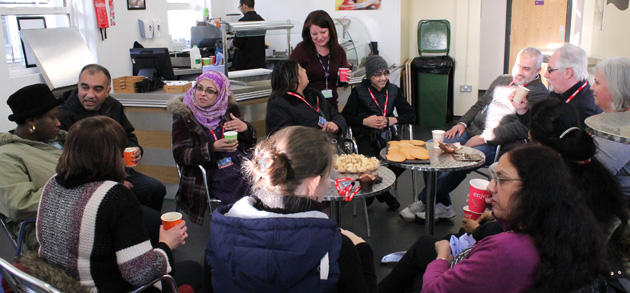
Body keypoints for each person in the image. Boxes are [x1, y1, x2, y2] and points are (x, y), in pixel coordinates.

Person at [379, 145, 608, 292]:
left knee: (420, 278)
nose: (490, 187)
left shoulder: (507, 251)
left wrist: (442, 258)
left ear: (533, 190)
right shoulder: (567, 227)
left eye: (502, 179)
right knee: (423, 247)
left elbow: (433, 291)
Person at [206, 126, 376, 292]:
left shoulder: (220, 234)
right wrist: (363, 252)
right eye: (328, 176)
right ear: (313, 183)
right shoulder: (338, 248)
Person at [36, 116, 190, 292]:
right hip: (98, 287)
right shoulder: (115, 196)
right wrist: (166, 245)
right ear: (113, 153)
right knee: (194, 269)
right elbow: (141, 274)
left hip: (57, 284)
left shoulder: (52, 183)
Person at [399, 47, 549, 222]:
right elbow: (480, 104)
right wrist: (462, 123)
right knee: (431, 149)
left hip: (497, 144)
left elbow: (521, 128)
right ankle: (442, 205)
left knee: (457, 162)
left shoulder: (539, 93)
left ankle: (424, 200)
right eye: (518, 66)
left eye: (527, 68)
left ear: (538, 71)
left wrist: (484, 137)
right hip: (471, 131)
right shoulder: (503, 80)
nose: (520, 72)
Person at [59, 64, 166, 212]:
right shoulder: (63, 115)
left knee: (155, 189)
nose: (90, 95)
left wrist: (136, 149)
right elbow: (71, 163)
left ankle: (141, 230)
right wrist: (112, 184)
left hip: (116, 169)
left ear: (108, 91)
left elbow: (127, 135)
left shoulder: (113, 106)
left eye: (97, 89)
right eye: (84, 87)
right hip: (86, 179)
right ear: (78, 86)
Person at [167, 70, 257, 225]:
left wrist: (245, 128)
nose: (202, 94)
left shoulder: (228, 108)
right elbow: (181, 155)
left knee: (265, 172)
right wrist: (212, 148)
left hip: (237, 160)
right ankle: (240, 222)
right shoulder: (184, 115)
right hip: (209, 169)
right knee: (244, 180)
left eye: (210, 91)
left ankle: (254, 218)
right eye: (199, 88)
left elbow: (249, 143)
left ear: (221, 94)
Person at [341, 55, 416, 210]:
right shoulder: (359, 92)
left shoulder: (394, 90)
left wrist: (390, 120)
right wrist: (365, 121)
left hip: (387, 134)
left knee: (403, 161)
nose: (383, 78)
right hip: (364, 135)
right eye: (378, 74)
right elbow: (346, 116)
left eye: (385, 73)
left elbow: (411, 115)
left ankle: (375, 191)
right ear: (369, 76)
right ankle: (384, 194)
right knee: (371, 163)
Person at [0, 84, 64, 250]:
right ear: (31, 121)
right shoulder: (6, 156)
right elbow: (20, 205)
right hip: (45, 229)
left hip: (80, 213)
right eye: (53, 117)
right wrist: (77, 192)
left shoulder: (57, 140)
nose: (58, 123)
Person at [266, 59, 347, 138]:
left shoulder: (314, 95)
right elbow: (285, 138)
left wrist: (336, 125)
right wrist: (317, 135)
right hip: (307, 150)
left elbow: (337, 115)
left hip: (330, 146)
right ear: (296, 78)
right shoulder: (279, 105)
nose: (305, 70)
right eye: (301, 69)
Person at [290, 10, 352, 109]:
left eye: (323, 32)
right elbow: (290, 78)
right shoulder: (301, 50)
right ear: (308, 34)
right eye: (314, 34)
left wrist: (344, 78)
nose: (319, 37)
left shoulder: (338, 51)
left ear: (330, 30)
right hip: (307, 106)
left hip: (331, 105)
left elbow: (341, 83)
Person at [590, 57, 630, 198]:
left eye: (597, 82)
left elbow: (590, 176)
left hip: (614, 203)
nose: (591, 87)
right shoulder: (612, 114)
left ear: (616, 89)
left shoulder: (622, 130)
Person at [539, 43, 602, 123]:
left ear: (568, 73)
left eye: (550, 70)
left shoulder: (583, 110)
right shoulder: (558, 92)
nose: (545, 75)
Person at [230, 0, 266, 70]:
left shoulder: (242, 21)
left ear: (244, 6)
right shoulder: (262, 21)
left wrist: (231, 42)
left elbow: (237, 44)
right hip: (259, 64)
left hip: (244, 65)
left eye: (240, 7)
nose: (240, 9)